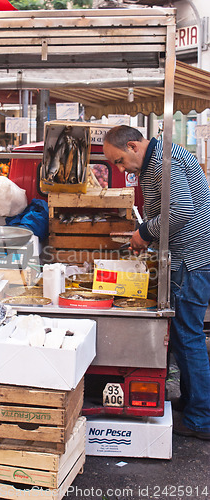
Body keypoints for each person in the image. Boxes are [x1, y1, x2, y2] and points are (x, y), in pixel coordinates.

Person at [103, 125, 210, 441]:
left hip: (192, 261)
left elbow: (181, 210)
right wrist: (148, 233)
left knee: (188, 338)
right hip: (188, 258)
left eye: (120, 161)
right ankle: (194, 406)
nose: (120, 169)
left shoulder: (165, 162)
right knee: (183, 338)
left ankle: (201, 418)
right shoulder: (156, 160)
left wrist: (145, 233)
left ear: (134, 146)